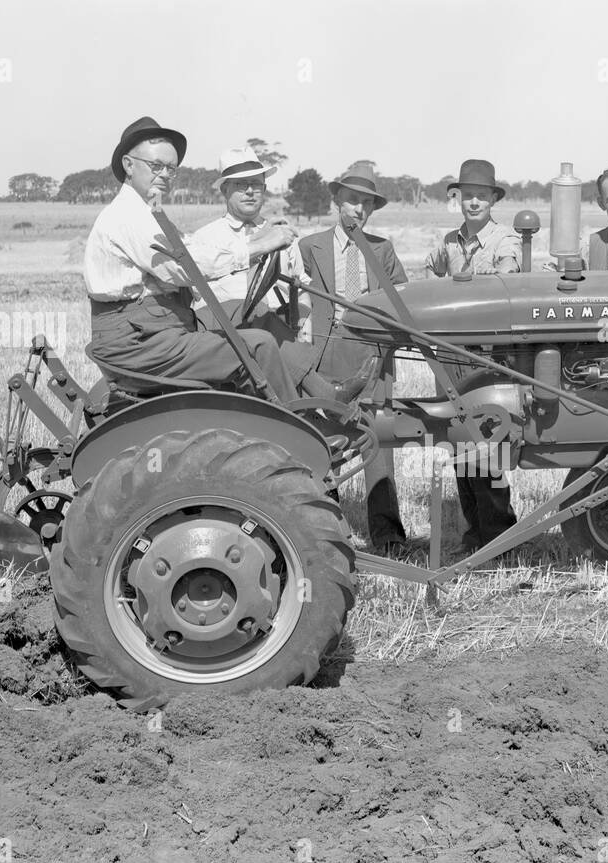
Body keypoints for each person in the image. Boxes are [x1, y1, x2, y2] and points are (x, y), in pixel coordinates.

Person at [84, 117, 363, 404]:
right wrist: (261, 245)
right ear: (129, 165)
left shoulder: (145, 211)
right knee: (259, 344)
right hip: (142, 342)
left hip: (160, 328)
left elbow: (184, 253)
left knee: (248, 310)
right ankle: (302, 425)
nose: (165, 175)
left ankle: (323, 393)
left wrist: (258, 243)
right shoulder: (129, 216)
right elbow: (185, 266)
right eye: (157, 166)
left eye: (171, 169)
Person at [298, 165, 410, 550]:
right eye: (352, 200)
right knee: (322, 441)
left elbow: (403, 301)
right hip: (324, 357)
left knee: (377, 439)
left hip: (371, 357)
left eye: (366, 203)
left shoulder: (382, 249)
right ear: (336, 201)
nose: (359, 209)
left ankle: (388, 535)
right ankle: (326, 532)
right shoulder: (308, 247)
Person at [424, 159, 520, 552]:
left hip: (487, 354)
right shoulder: (448, 242)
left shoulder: (505, 241)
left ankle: (499, 533)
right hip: (450, 353)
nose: (474, 202)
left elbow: (504, 291)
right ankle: (473, 533)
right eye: (468, 196)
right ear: (458, 199)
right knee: (456, 442)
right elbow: (428, 274)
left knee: (487, 443)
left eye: (482, 195)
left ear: (493, 199)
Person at [190, 146, 306, 328]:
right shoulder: (205, 238)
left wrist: (304, 329)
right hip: (227, 334)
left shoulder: (281, 233)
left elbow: (301, 288)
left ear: (265, 188)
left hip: (282, 332)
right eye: (240, 184)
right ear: (224, 189)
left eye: (256, 184)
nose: (250, 191)